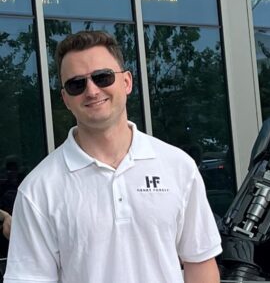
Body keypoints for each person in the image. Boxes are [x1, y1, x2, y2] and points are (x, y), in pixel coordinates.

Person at [5, 31, 222, 283]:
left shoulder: (177, 166)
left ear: (127, 82)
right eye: (77, 84)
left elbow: (200, 263)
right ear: (65, 99)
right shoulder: (38, 190)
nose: (92, 90)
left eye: (103, 77)